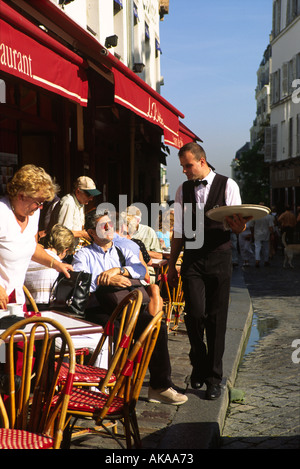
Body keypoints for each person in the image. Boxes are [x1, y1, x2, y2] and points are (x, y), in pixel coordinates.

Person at [72, 209, 188, 406]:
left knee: (155, 326)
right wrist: (106, 280)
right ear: (91, 232)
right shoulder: (83, 254)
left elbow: (140, 269)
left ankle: (159, 387)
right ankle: (112, 385)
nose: (109, 228)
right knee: (116, 329)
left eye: (109, 223)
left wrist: (120, 270)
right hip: (98, 309)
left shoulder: (120, 250)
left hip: (126, 307)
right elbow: (80, 282)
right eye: (103, 225)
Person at [167, 143, 249, 400]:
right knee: (194, 314)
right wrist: (171, 263)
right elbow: (178, 231)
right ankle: (198, 358)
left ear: (202, 161)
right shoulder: (183, 189)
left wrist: (239, 228)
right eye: (182, 166)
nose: (184, 170)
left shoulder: (228, 185)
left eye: (187, 165)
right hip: (192, 258)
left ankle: (214, 378)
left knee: (216, 319)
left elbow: (239, 226)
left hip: (219, 257)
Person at [0, 165, 72, 311]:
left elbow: (31, 247)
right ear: (21, 196)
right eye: (38, 202)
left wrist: (56, 264)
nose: (40, 207)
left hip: (15, 298)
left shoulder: (32, 215)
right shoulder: (2, 212)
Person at [24, 224, 75, 311]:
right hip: (46, 310)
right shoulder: (59, 267)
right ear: (65, 250)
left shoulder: (30, 258)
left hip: (25, 308)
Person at [54, 176, 101, 244]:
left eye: (92, 196)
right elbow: (62, 232)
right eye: (89, 195)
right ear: (78, 191)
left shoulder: (80, 202)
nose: (91, 199)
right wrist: (82, 234)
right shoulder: (68, 203)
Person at [121, 205, 163, 283]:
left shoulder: (148, 231)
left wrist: (144, 252)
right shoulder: (117, 236)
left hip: (143, 272)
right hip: (135, 275)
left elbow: (159, 255)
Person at [248, 203, 274, 267]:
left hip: (257, 233)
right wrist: (272, 234)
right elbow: (271, 227)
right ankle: (266, 260)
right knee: (266, 247)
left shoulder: (255, 216)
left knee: (257, 247)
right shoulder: (269, 216)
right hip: (266, 234)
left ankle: (257, 260)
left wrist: (252, 232)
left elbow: (251, 225)